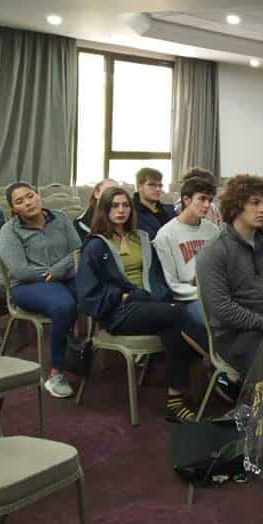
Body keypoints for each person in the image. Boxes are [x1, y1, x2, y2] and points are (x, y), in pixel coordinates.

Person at [76, 186, 205, 423]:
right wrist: (121, 297)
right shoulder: (95, 245)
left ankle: (174, 402)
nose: (121, 210)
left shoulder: (142, 238)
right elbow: (87, 295)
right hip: (117, 312)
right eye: (114, 206)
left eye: (125, 205)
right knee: (180, 314)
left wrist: (160, 298)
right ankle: (220, 364)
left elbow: (157, 277)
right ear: (104, 209)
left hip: (148, 305)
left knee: (174, 328)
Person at [196, 174, 263, 383]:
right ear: (236, 206)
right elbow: (223, 309)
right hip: (239, 335)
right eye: (255, 203)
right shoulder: (214, 251)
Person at [0, 183, 81, 398]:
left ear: (38, 196)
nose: (27, 202)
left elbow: (77, 251)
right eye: (19, 201)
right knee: (64, 305)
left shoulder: (60, 218)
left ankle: (87, 352)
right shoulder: (10, 231)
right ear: (14, 209)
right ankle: (56, 373)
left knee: (96, 292)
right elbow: (21, 270)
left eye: (30, 196)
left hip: (63, 277)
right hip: (27, 286)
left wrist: (58, 271)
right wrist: (53, 274)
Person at [152, 176, 221, 350]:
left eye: (210, 200)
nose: (207, 205)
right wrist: (205, 292)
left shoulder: (212, 231)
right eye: (202, 199)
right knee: (220, 321)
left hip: (215, 294)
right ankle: (224, 369)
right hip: (187, 299)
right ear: (186, 199)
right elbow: (171, 284)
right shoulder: (166, 235)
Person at [133, 167, 175, 240]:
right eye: (151, 185)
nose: (158, 189)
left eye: (160, 186)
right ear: (140, 187)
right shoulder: (132, 213)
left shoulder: (170, 210)